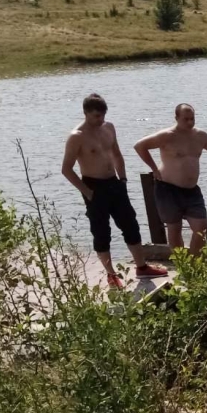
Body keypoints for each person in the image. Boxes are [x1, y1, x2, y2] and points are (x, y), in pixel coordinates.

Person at [61, 93, 168, 289]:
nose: (99, 120)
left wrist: (123, 179)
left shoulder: (108, 127)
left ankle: (141, 267)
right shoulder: (76, 136)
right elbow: (66, 169)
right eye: (95, 116)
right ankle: (111, 275)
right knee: (102, 232)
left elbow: (117, 154)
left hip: (114, 183)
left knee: (130, 224)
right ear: (85, 113)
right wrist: (87, 191)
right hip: (93, 186)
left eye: (102, 115)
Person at [133, 104, 207, 256]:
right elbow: (139, 146)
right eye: (186, 119)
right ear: (176, 118)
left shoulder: (201, 136)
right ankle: (182, 266)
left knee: (202, 226)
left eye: (192, 119)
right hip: (168, 188)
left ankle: (194, 264)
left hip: (192, 190)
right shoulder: (167, 135)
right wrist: (154, 168)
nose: (190, 122)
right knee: (174, 228)